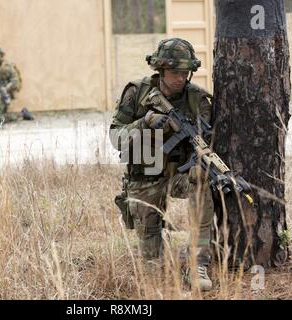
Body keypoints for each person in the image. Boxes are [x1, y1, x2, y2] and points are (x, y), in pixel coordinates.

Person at [110, 38, 215, 291]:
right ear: (160, 70)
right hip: (145, 175)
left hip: (180, 174)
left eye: (185, 73)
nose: (181, 78)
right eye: (174, 72)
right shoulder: (136, 93)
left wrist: (200, 163)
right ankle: (154, 263)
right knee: (151, 264)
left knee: (201, 181)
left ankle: (198, 262)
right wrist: (145, 122)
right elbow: (116, 138)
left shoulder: (197, 99)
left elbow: (206, 140)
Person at [0, 47, 33, 127]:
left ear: (1, 55)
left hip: (7, 92)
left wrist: (6, 88)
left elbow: (15, 80)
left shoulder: (7, 66)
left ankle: (0, 122)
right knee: (0, 114)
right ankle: (22, 115)